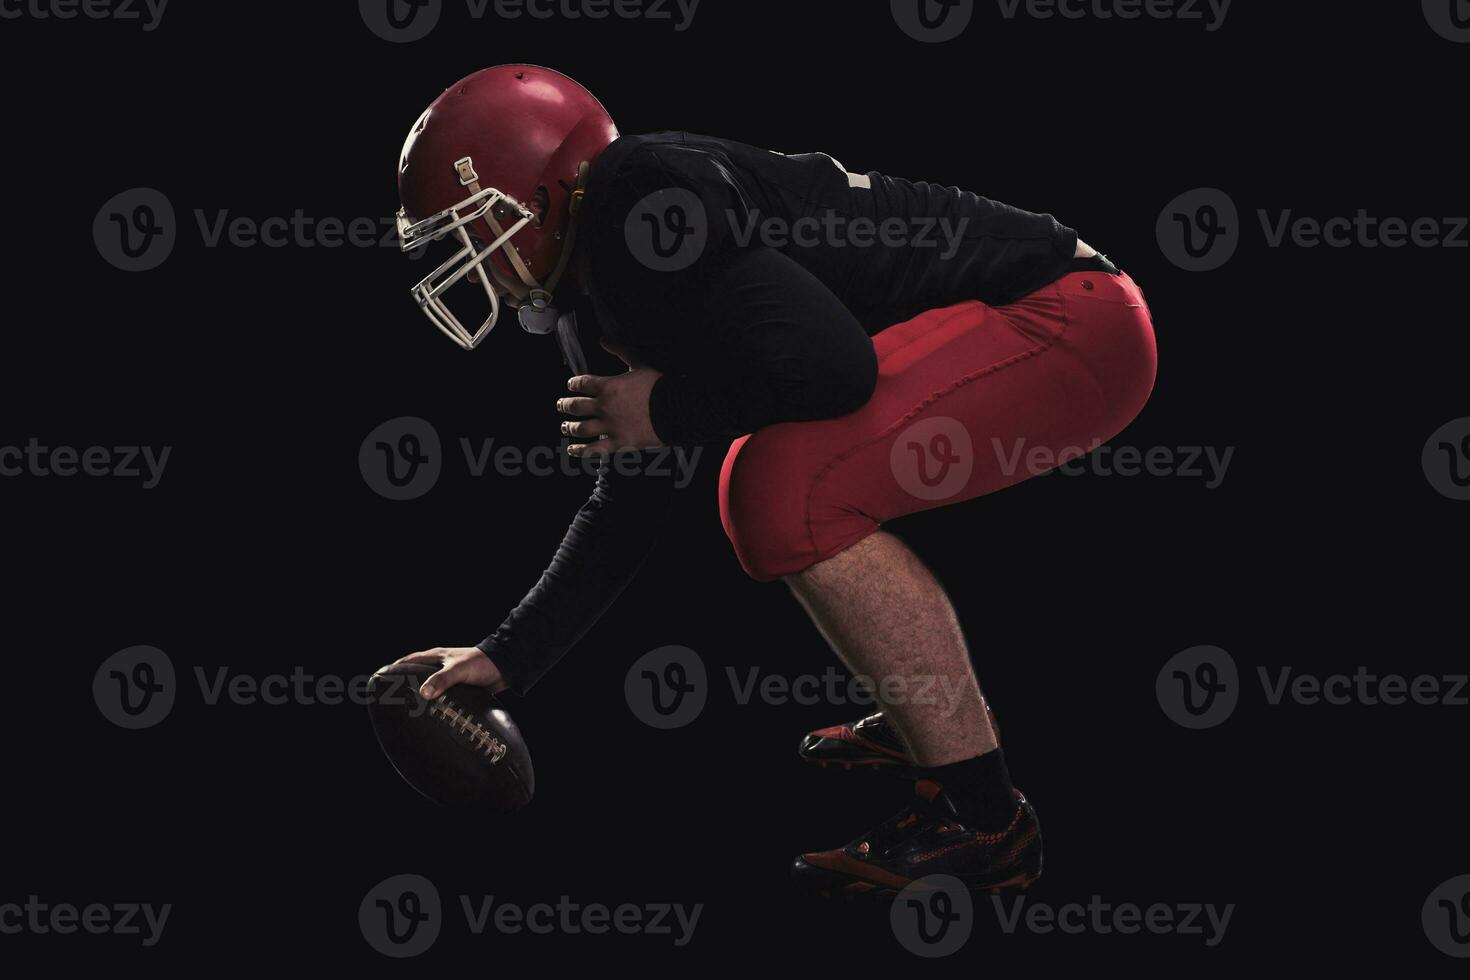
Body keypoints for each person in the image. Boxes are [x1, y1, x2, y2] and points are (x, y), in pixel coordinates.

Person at [390, 64, 1157, 896]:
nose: (472, 259)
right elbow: (631, 500)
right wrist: (510, 657)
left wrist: (670, 409)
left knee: (783, 490)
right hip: (1025, 312)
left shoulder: (642, 206)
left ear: (542, 194)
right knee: (767, 486)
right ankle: (929, 715)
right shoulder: (596, 279)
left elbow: (834, 371)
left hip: (1071, 318)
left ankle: (984, 821)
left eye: (475, 228)